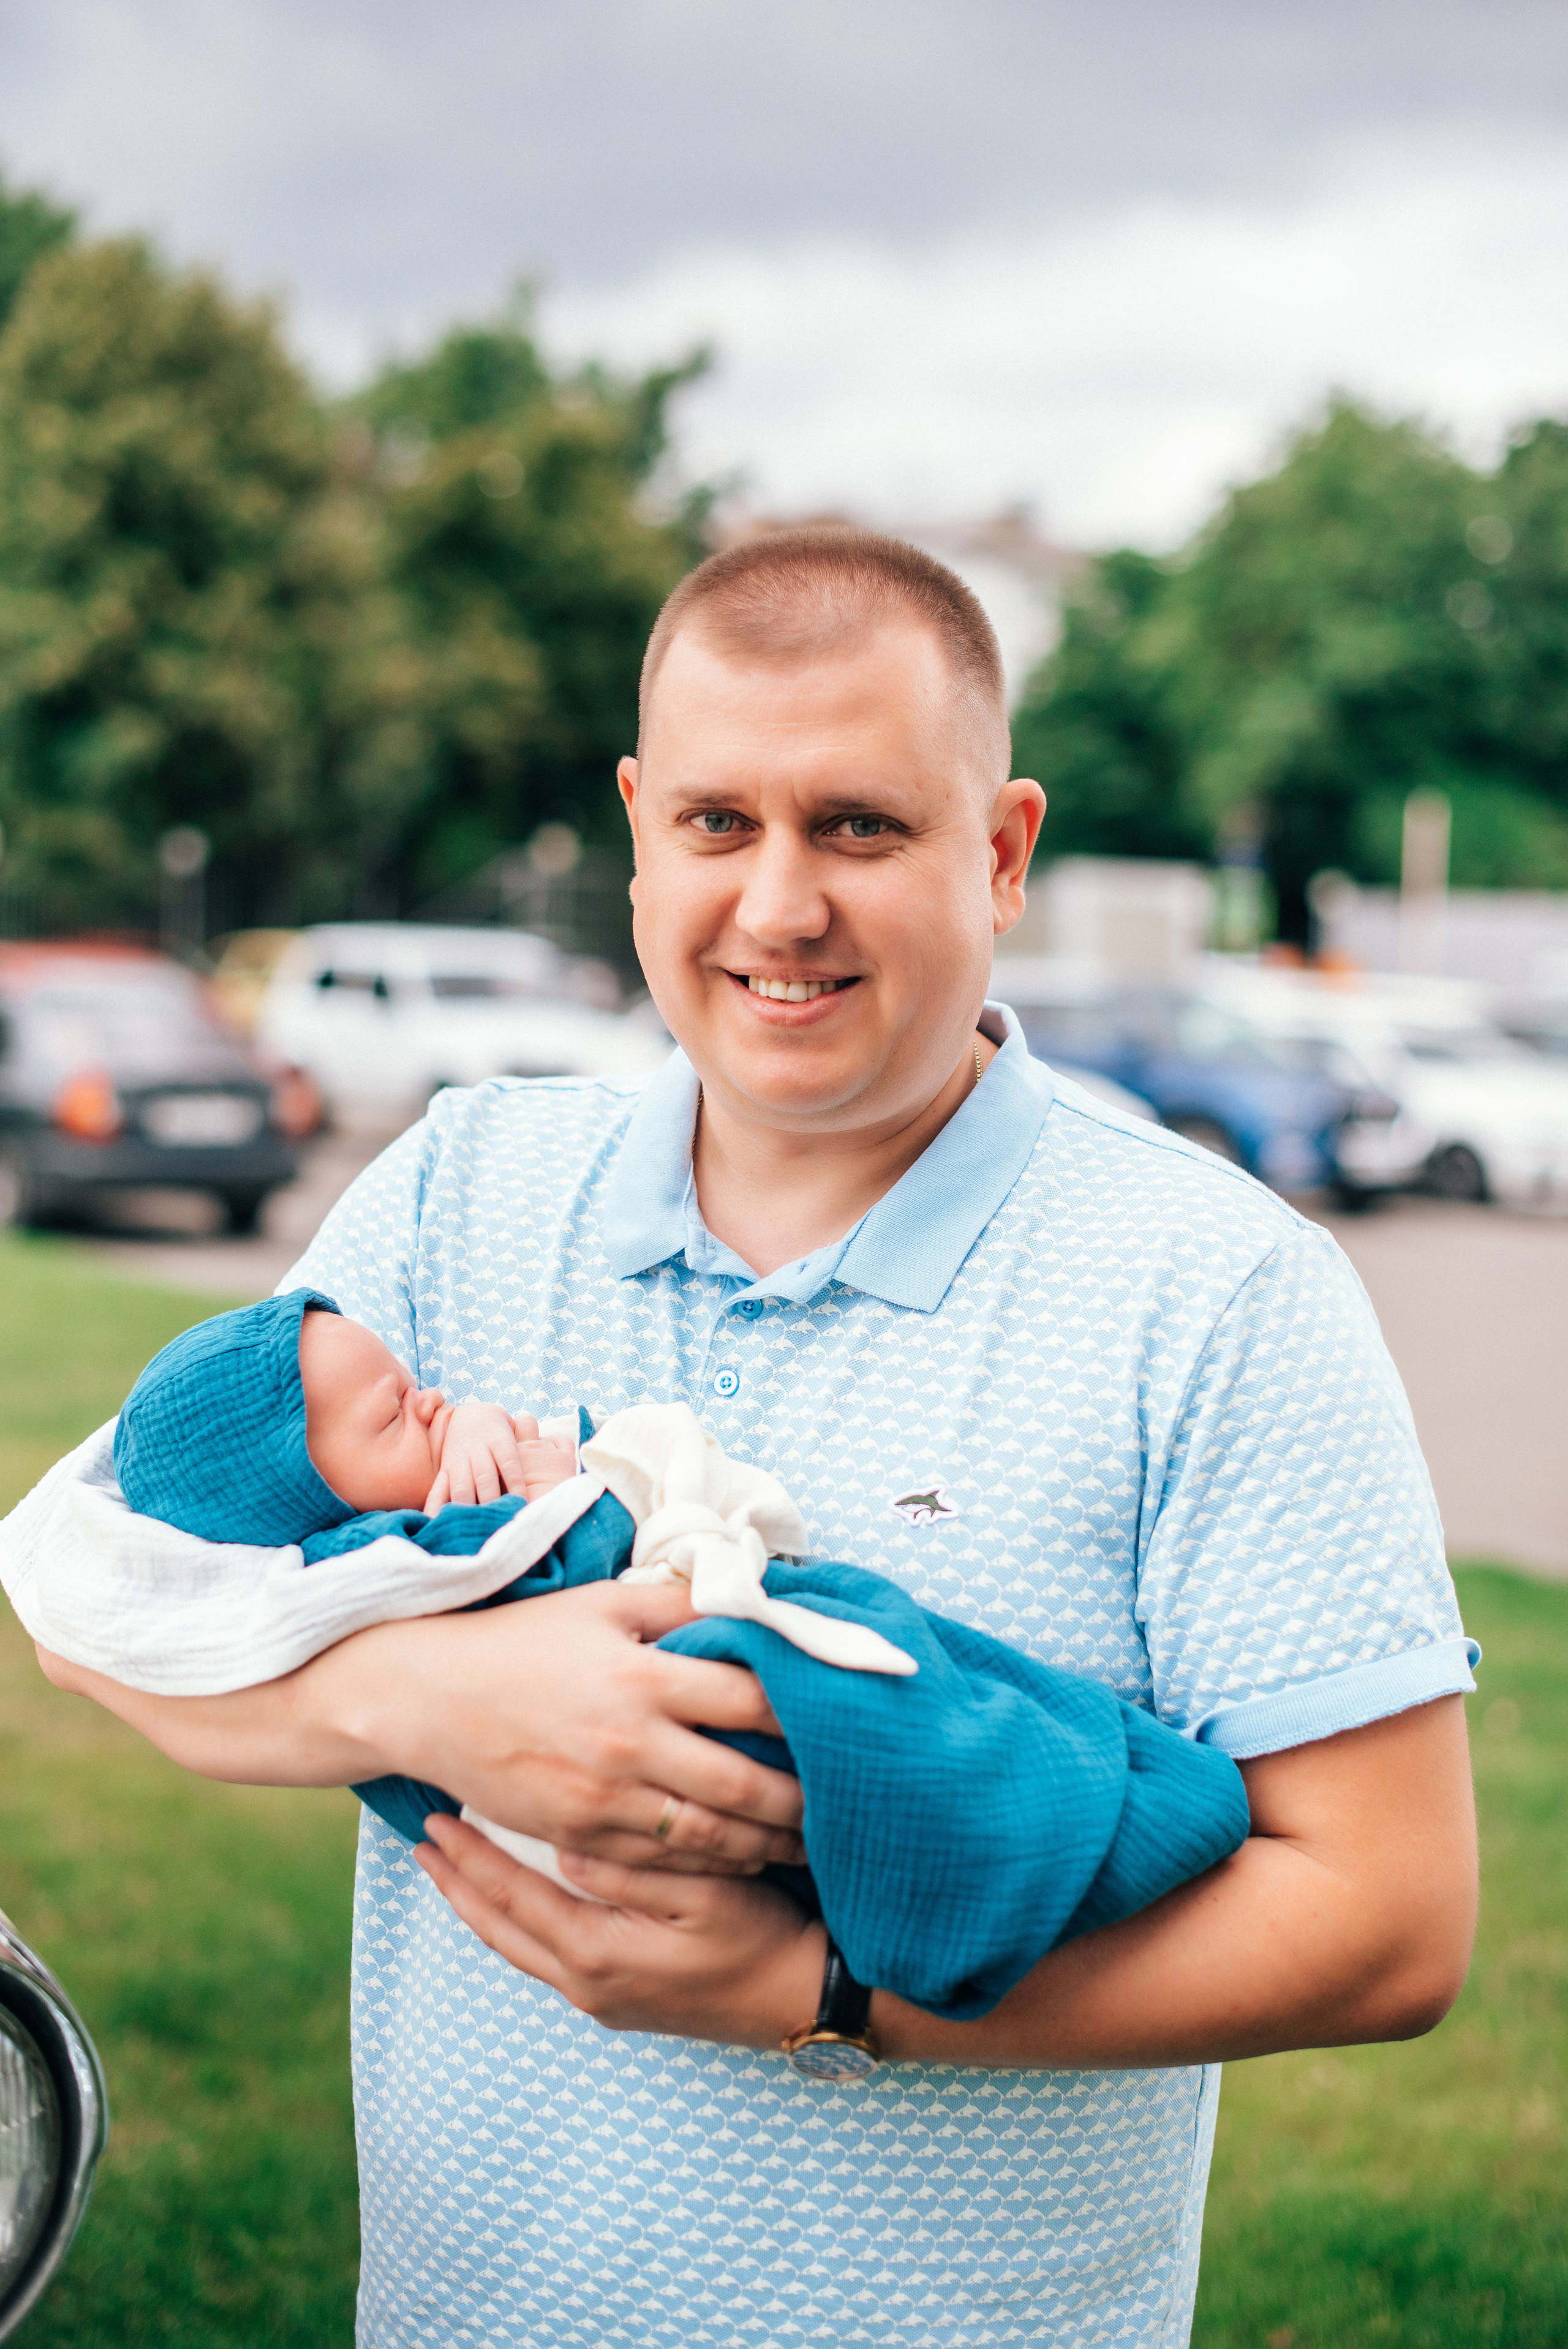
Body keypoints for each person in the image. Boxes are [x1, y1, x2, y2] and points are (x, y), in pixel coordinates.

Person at [9, 528, 1479, 2348]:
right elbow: (82, 1584)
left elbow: (1393, 1919)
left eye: (859, 825)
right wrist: (428, 1707)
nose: (780, 906)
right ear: (637, 832)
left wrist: (820, 1988)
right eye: (718, 824)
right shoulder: (464, 1187)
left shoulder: (1223, 1288)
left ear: (1002, 851)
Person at [99, 1289, 1253, 2019]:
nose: (440, 1399)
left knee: (902, 1662)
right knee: (877, 1702)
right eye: (398, 1412)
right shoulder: (379, 1559)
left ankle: (1101, 1787)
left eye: (414, 1378)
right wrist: (550, 1484)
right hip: (693, 1730)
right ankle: (1102, 1816)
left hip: (691, 1707)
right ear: (302, 1507)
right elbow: (570, 1548)